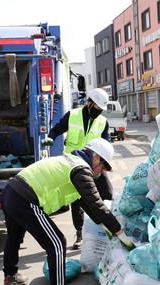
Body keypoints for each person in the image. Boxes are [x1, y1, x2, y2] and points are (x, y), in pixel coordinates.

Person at [0, 138, 133, 285]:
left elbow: (88, 206)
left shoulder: (72, 162)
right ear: (96, 158)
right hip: (25, 199)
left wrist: (105, 226)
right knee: (57, 242)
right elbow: (97, 204)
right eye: (104, 167)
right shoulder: (81, 170)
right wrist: (119, 231)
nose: (101, 172)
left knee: (14, 237)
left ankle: (10, 276)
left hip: (11, 192)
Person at [41, 88, 112, 250]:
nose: (99, 112)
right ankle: (79, 233)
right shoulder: (72, 116)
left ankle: (108, 227)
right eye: (97, 108)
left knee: (107, 194)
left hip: (94, 164)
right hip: (73, 164)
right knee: (77, 199)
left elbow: (106, 144)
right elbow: (57, 129)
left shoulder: (103, 122)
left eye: (101, 110)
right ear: (89, 103)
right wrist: (50, 138)